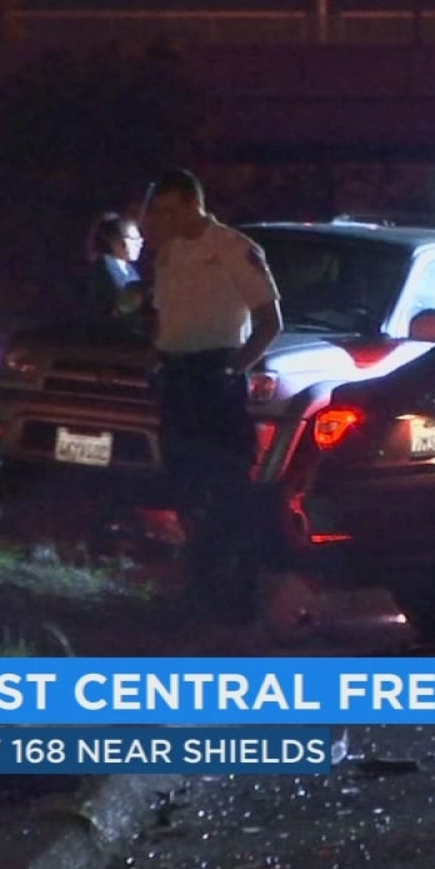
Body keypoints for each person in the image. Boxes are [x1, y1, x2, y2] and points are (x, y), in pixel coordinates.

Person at [143, 168, 283, 622]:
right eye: (156, 211)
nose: (160, 220)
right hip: (177, 376)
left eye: (168, 210)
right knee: (184, 485)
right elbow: (167, 317)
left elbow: (269, 320)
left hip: (214, 374)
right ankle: (198, 587)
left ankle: (238, 597)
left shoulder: (232, 247)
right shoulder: (168, 253)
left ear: (192, 204)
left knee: (227, 490)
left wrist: (232, 369)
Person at [84, 211, 145, 318]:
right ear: (114, 241)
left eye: (140, 240)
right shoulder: (100, 272)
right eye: (133, 240)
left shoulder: (131, 270)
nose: (139, 245)